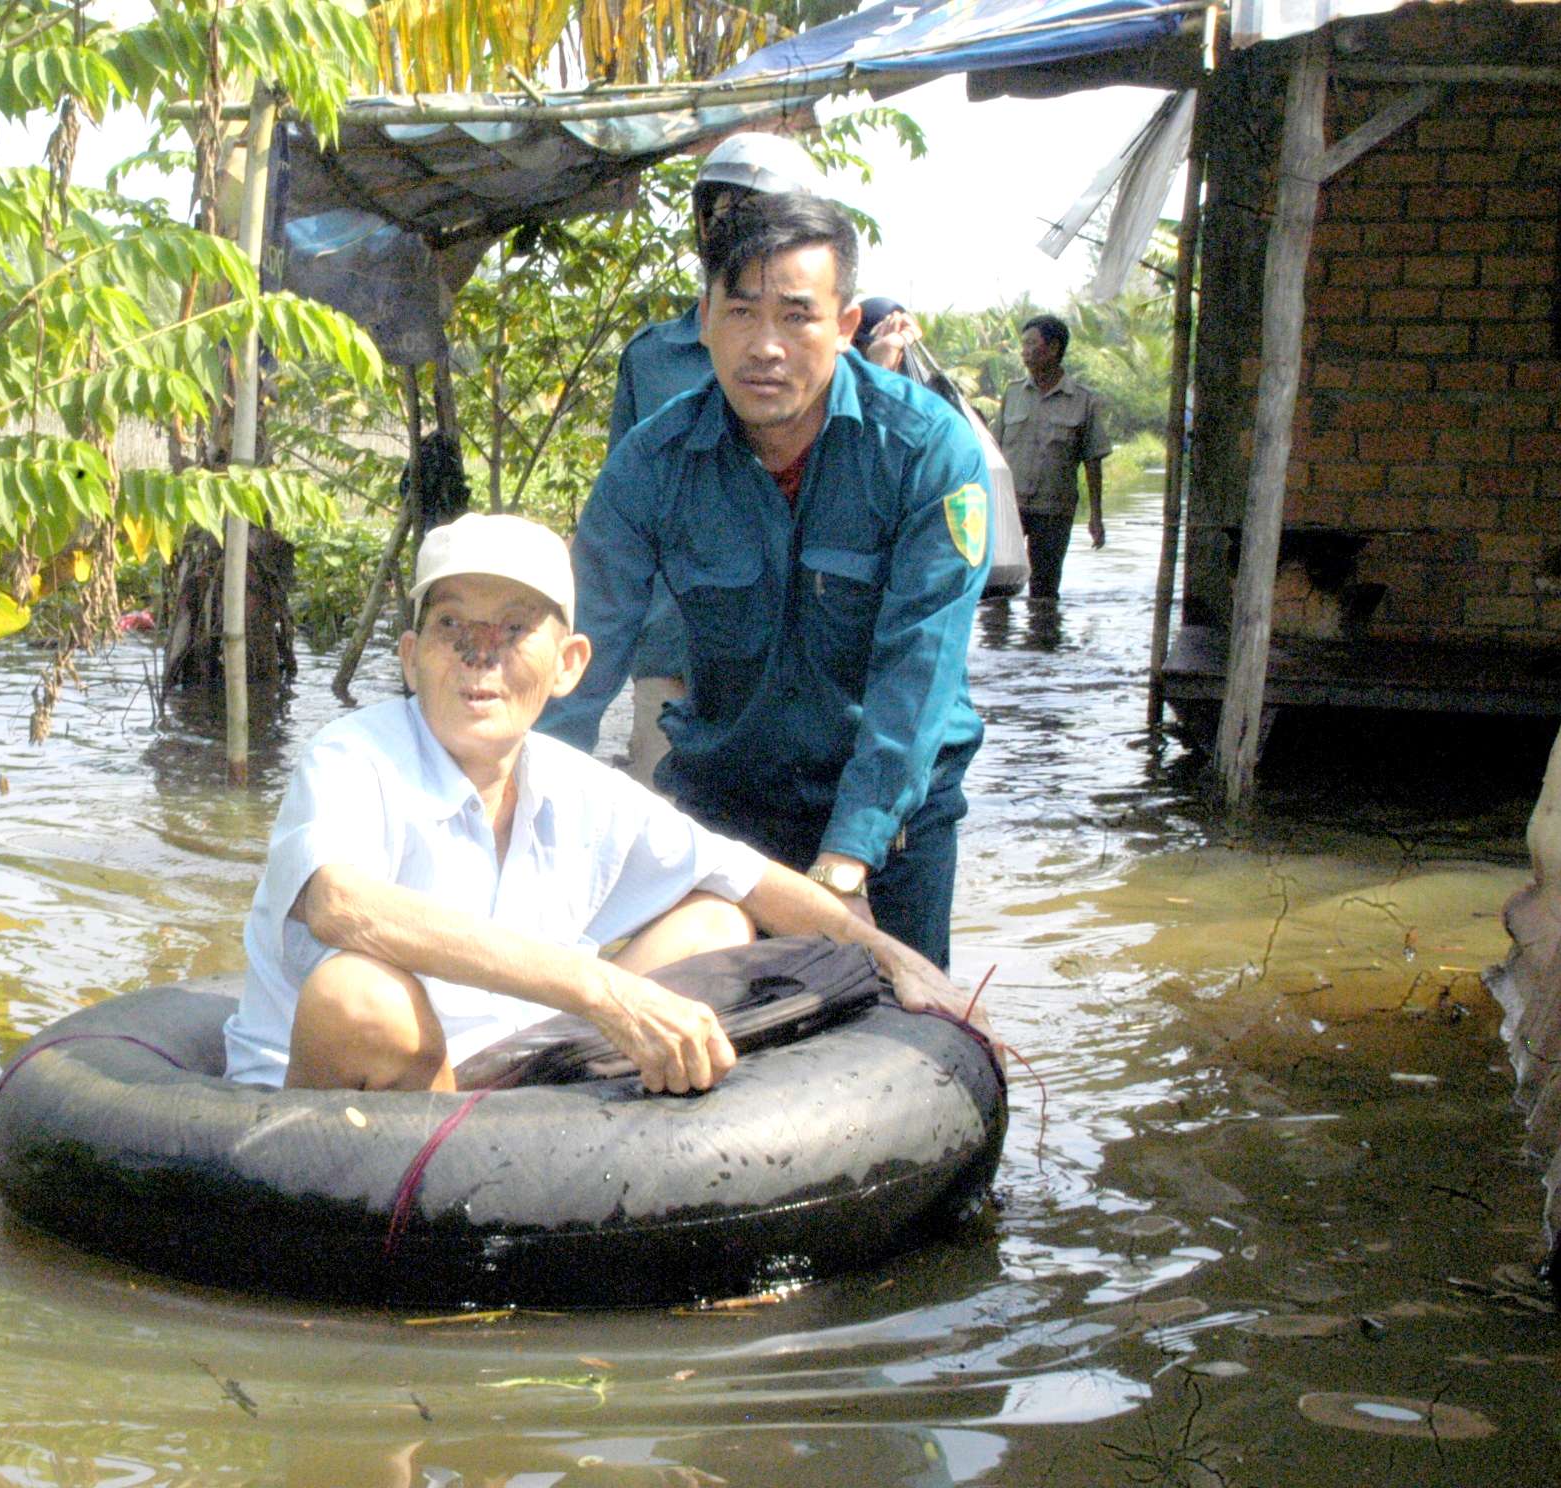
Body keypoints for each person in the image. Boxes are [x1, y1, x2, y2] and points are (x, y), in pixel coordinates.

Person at [221, 513, 980, 1095]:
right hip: (335, 1094)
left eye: (514, 628)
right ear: (413, 656)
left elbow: (741, 874)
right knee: (362, 995)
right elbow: (342, 907)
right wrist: (601, 988)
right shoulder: (354, 756)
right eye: (452, 626)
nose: (480, 656)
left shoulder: (570, 783)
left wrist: (895, 959)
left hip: (502, 1069)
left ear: (568, 665)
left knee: (716, 919)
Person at [542, 192, 993, 972]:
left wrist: (846, 860)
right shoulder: (654, 464)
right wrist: (510, 812)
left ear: (846, 328)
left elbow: (917, 673)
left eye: (796, 316)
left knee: (906, 1027)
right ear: (706, 318)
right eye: (742, 313)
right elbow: (577, 662)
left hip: (892, 824)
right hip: (728, 807)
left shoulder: (928, 454)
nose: (766, 347)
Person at [603, 131, 827, 788]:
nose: (728, 226)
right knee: (658, 829)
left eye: (749, 210)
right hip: (674, 649)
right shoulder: (653, 358)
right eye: (716, 210)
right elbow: (624, 526)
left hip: (800, 659)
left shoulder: (832, 360)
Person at [993, 313, 1112, 600]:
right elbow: (994, 452)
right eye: (1024, 344)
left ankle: (1042, 641)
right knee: (996, 589)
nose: (1024, 351)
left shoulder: (1083, 400)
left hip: (1054, 511)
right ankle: (997, 645)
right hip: (1010, 507)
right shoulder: (1013, 394)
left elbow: (1092, 462)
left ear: (1054, 348)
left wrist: (1096, 516)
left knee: (1044, 591)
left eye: (1031, 344)